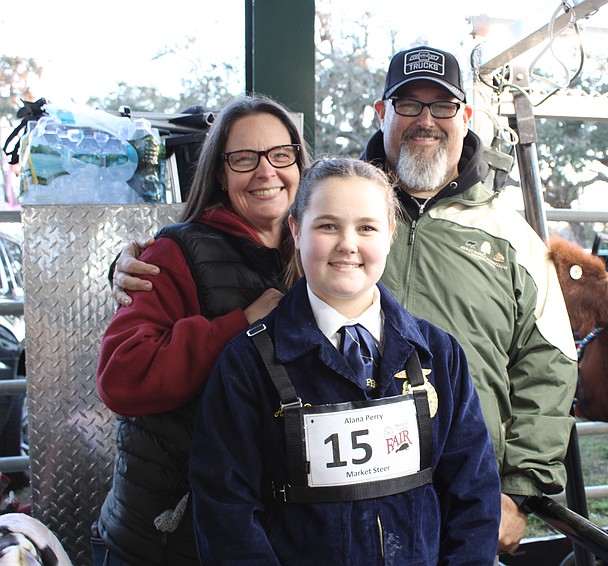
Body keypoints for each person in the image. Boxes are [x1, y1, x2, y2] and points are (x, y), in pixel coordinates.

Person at [112, 45, 578, 555]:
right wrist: (143, 262)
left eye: (442, 106)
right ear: (302, 227)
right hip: (222, 525)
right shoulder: (234, 310)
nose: (348, 244)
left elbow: (549, 366)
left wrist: (516, 492)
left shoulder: (499, 258)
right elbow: (227, 500)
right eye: (407, 105)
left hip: (442, 512)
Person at [189, 157, 501, 564]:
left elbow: (473, 493)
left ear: (390, 233)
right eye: (327, 226)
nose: (348, 244)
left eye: (367, 227)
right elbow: (225, 512)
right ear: (296, 230)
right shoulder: (247, 365)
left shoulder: (440, 355)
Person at [94, 94, 310, 565]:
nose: (266, 172)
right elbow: (122, 377)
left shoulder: (315, 257)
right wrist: (241, 325)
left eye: (280, 155)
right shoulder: (174, 253)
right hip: (167, 539)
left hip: (262, 537)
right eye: (244, 159)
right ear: (219, 172)